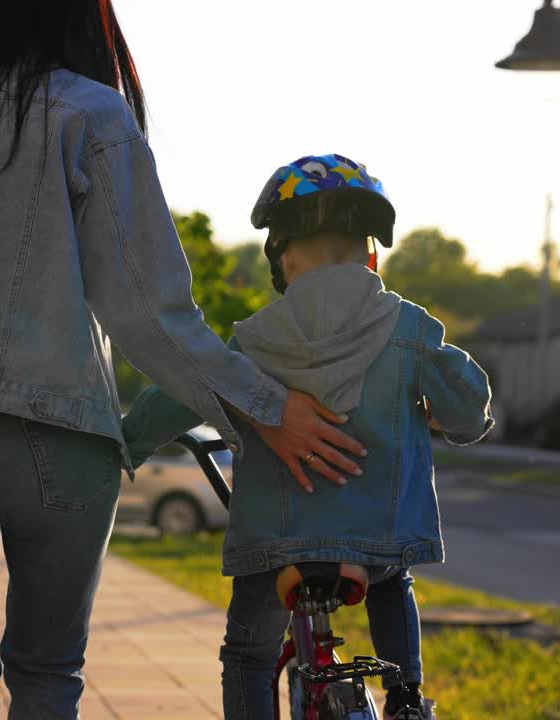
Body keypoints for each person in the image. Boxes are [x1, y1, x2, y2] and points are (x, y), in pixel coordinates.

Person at [0, 4, 368, 718]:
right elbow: (151, 316)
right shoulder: (91, 114)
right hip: (55, 435)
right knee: (45, 680)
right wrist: (266, 409)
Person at [121, 154, 495, 720]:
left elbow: (177, 394)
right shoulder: (410, 330)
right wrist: (453, 415)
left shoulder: (250, 344)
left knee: (248, 654)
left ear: (284, 262)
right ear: (372, 255)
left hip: (277, 547)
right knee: (393, 578)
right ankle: (407, 698)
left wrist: (125, 444)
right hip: (378, 539)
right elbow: (466, 407)